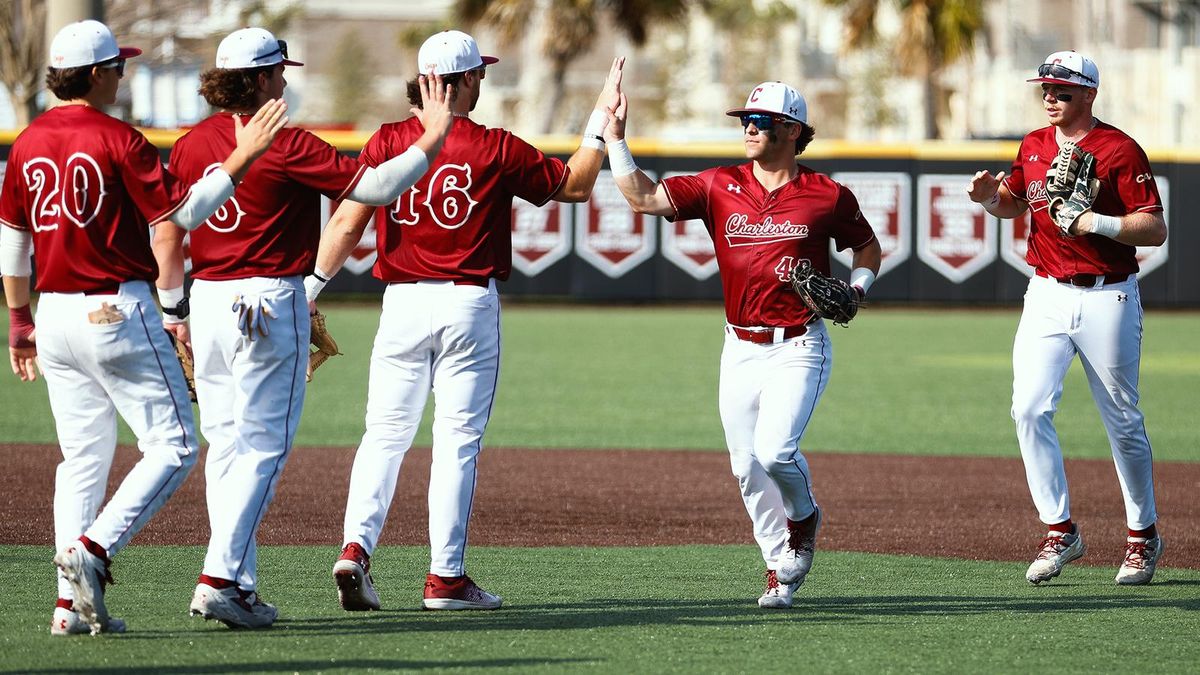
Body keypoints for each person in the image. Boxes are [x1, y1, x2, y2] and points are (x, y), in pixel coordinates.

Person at [304, 29, 623, 611]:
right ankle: (445, 577)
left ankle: (355, 548)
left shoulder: (388, 140)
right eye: (480, 74)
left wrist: (310, 290)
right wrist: (600, 120)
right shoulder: (493, 145)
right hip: (467, 304)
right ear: (467, 80)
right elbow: (577, 185)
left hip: (401, 303)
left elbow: (348, 222)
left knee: (384, 435)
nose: (482, 82)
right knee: (456, 442)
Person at [155, 27, 454, 629]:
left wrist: (173, 311)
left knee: (226, 449)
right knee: (263, 449)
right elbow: (376, 188)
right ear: (261, 78)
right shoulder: (287, 143)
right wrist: (432, 136)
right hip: (268, 299)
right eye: (279, 72)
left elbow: (167, 230)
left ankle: (238, 583)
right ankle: (219, 578)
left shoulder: (189, 146)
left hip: (207, 301)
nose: (284, 81)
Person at [0, 20, 286, 636]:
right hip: (114, 309)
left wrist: (19, 320)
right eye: (118, 67)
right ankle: (94, 549)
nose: (122, 76)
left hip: (53, 315)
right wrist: (241, 157)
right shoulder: (119, 139)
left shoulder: (26, 142)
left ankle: (68, 607)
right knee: (175, 445)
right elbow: (184, 215)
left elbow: (13, 241)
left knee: (82, 458)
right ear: (97, 74)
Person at [603, 81, 881, 608]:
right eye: (745, 120)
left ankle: (804, 519)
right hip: (739, 346)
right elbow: (643, 198)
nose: (750, 128)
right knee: (746, 467)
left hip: (798, 344)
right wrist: (616, 139)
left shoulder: (827, 194)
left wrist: (857, 289)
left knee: (775, 452)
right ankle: (778, 569)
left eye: (762, 120)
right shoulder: (718, 184)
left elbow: (867, 248)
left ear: (792, 130)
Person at [967, 51, 1168, 585]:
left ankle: (1142, 536)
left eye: (1062, 90)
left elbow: (1154, 229)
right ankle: (1059, 530)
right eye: (1046, 89)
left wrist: (1095, 221)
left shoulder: (1119, 149)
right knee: (1029, 408)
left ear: (1089, 94)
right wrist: (990, 201)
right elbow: (1016, 202)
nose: (1050, 97)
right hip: (1046, 293)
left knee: (1122, 421)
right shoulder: (1033, 144)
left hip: (1108, 294)